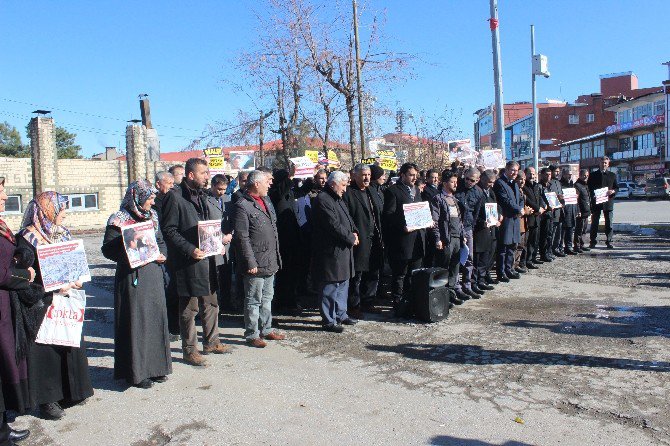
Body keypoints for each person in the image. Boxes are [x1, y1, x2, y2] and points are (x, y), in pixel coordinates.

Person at [17, 192, 93, 420]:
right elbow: (26, 275)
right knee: (46, 352)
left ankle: (72, 392)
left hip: (66, 298)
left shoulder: (62, 234)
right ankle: (47, 400)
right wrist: (50, 286)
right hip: (42, 303)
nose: (64, 214)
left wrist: (78, 277)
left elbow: (75, 262)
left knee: (68, 344)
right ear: (46, 211)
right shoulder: (26, 239)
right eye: (60, 210)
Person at [101, 180, 172, 389]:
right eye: (149, 198)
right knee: (137, 321)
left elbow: (160, 241)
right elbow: (108, 249)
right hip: (132, 275)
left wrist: (162, 255)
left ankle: (157, 367)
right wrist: (130, 250)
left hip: (153, 274)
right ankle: (138, 372)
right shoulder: (119, 218)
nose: (152, 201)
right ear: (137, 197)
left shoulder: (153, 216)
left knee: (155, 319)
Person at [161, 158, 231, 367]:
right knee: (189, 308)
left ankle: (212, 342)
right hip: (188, 261)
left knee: (211, 302)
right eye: (203, 173)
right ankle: (189, 350)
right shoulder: (175, 197)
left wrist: (216, 241)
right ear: (191, 175)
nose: (207, 177)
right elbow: (169, 230)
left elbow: (208, 225)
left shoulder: (204, 196)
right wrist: (189, 249)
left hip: (208, 257)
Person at [233, 170, 285, 348]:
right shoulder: (242, 205)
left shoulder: (266, 201)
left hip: (270, 259)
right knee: (253, 299)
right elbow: (242, 237)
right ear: (256, 184)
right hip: (255, 262)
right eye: (266, 182)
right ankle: (252, 334)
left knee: (267, 297)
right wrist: (250, 262)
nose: (270, 184)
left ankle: (267, 329)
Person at [0, 177, 32, 444]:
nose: (5, 197)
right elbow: (1, 274)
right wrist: (26, 275)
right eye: (0, 193)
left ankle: (2, 428)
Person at [311, 171, 359, 332]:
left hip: (342, 249)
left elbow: (347, 219)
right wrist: (350, 238)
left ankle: (341, 314)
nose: (345, 189)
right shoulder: (323, 199)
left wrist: (354, 232)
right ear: (333, 183)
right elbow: (333, 225)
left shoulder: (336, 197)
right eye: (343, 185)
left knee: (343, 283)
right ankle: (329, 320)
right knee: (330, 285)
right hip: (330, 251)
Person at [382, 163, 426, 312]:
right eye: (411, 175)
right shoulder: (393, 191)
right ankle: (398, 301)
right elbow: (388, 215)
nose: (414, 178)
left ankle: (411, 300)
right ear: (402, 175)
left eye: (415, 175)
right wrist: (402, 226)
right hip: (402, 240)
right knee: (400, 273)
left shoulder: (416, 191)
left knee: (414, 273)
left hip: (417, 239)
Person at [343, 164, 384, 318]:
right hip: (359, 238)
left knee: (373, 271)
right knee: (357, 275)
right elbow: (346, 216)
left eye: (368, 174)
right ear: (355, 176)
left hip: (375, 237)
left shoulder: (372, 191)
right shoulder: (348, 193)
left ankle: (369, 301)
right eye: (363, 175)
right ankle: (353, 305)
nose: (367, 178)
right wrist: (353, 233)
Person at [430, 171, 468, 304]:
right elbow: (435, 221)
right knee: (443, 268)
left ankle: (451, 294)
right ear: (445, 183)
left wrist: (463, 235)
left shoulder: (455, 199)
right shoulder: (438, 199)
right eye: (452, 182)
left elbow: (459, 220)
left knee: (454, 268)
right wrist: (437, 238)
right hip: (446, 239)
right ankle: (442, 297)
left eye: (456, 181)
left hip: (457, 238)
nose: (455, 184)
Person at [268, 169, 302, 315]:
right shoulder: (276, 192)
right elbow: (282, 190)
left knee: (293, 272)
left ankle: (291, 300)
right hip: (282, 238)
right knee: (284, 274)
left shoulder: (288, 191)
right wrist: (291, 176)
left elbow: (301, 191)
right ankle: (282, 302)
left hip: (293, 236)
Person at [493, 161, 524, 282]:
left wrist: (521, 207)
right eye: (512, 170)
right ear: (506, 169)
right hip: (506, 218)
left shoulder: (514, 184)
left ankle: (509, 269)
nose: (514, 173)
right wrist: (518, 209)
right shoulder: (500, 183)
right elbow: (505, 201)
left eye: (516, 171)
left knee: (512, 246)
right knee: (503, 247)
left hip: (515, 218)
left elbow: (520, 199)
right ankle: (501, 272)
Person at [454, 167, 483, 296]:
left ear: (477, 180)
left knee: (469, 258)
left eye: (471, 180)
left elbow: (476, 212)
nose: (468, 182)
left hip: (468, 227)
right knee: (455, 257)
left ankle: (467, 284)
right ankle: (455, 286)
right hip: (454, 227)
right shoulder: (456, 186)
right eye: (466, 178)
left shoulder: (478, 192)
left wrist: (471, 227)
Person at [208, 175, 234, 312]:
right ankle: (213, 305)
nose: (222, 192)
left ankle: (226, 303)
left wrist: (231, 234)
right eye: (219, 189)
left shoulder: (228, 199)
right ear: (212, 186)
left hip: (228, 244)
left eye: (224, 189)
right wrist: (220, 237)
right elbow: (206, 224)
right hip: (213, 242)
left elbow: (233, 220)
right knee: (214, 275)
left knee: (226, 275)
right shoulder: (206, 200)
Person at [473, 170, 499, 290]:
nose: (491, 185)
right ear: (482, 180)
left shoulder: (490, 192)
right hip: (480, 229)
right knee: (480, 256)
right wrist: (481, 222)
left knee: (489, 253)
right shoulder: (477, 192)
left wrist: (500, 215)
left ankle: (484, 275)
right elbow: (473, 212)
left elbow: (497, 206)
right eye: (489, 182)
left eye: (493, 182)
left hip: (491, 228)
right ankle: (478, 280)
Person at [587, 156, 618, 249]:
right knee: (594, 223)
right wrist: (592, 194)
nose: (603, 164)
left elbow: (616, 188)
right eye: (602, 162)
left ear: (608, 164)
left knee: (609, 223)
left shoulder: (612, 175)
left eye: (605, 163)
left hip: (608, 203)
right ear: (599, 163)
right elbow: (589, 188)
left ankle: (609, 241)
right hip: (596, 202)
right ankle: (593, 241)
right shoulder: (593, 175)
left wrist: (613, 191)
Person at [522, 167, 545, 268]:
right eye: (529, 174)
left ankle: (533, 257)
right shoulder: (524, 186)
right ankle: (526, 260)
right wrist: (537, 209)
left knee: (535, 239)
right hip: (529, 216)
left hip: (537, 216)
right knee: (528, 241)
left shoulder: (536, 186)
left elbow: (540, 198)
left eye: (533, 174)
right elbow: (527, 200)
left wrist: (543, 207)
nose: (532, 176)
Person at [538, 167, 557, 262]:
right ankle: (543, 254)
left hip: (551, 213)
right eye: (546, 174)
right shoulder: (539, 186)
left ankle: (549, 252)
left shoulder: (550, 185)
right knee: (544, 235)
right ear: (542, 175)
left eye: (549, 174)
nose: (548, 176)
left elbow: (553, 198)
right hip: (544, 214)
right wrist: (546, 206)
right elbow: (540, 199)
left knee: (550, 234)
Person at [559, 167, 578, 255]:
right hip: (563, 210)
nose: (569, 176)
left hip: (572, 209)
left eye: (570, 174)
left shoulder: (572, 184)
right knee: (563, 230)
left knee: (570, 229)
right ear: (563, 175)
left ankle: (569, 246)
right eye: (568, 174)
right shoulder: (560, 184)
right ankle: (560, 247)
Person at [548, 165, 565, 258]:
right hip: (553, 211)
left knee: (558, 232)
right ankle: (550, 250)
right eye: (556, 171)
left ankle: (556, 248)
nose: (557, 173)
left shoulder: (558, 182)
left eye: (558, 171)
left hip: (560, 211)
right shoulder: (549, 183)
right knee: (552, 233)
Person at [574, 169, 591, 253]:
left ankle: (582, 244)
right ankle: (577, 246)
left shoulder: (585, 185)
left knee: (584, 230)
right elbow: (576, 200)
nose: (586, 177)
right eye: (584, 175)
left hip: (586, 211)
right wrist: (578, 210)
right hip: (581, 211)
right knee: (579, 229)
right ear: (580, 175)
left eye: (587, 175)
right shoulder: (577, 185)